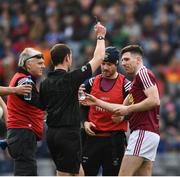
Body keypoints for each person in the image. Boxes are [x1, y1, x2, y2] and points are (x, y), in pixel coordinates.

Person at [81, 45, 160, 176]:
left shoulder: (142, 74)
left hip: (139, 132)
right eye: (123, 60)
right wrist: (86, 118)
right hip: (95, 138)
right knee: (142, 174)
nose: (124, 63)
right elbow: (120, 109)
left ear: (138, 59)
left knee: (123, 175)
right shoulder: (92, 82)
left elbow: (154, 100)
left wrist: (127, 110)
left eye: (127, 60)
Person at [39, 22, 106, 176]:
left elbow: (42, 109)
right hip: (68, 133)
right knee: (73, 173)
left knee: (65, 171)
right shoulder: (71, 78)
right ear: (67, 58)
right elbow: (99, 57)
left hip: (51, 134)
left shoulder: (44, 83)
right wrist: (101, 36)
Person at [80, 46, 131, 176]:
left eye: (109, 64)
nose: (105, 67)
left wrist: (124, 117)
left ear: (116, 64)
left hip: (114, 141)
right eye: (103, 64)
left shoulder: (126, 85)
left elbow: (136, 109)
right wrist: (84, 122)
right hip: (92, 138)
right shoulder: (90, 83)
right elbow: (81, 106)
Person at [7, 47, 45, 176]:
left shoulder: (19, 77)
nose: (43, 66)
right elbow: (41, 104)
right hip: (23, 133)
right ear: (28, 64)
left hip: (20, 134)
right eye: (40, 63)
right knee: (27, 172)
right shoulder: (25, 81)